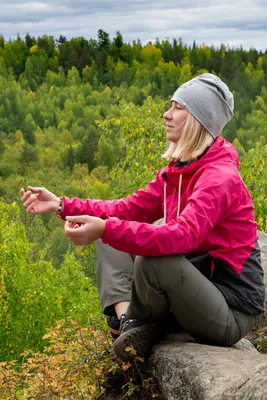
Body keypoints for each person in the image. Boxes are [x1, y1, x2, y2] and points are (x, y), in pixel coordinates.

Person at [20, 73, 265, 362]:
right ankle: (129, 323)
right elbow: (126, 209)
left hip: (228, 312)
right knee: (110, 235)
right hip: (198, 285)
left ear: (199, 120)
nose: (166, 114)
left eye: (178, 108)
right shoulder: (182, 169)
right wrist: (62, 204)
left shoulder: (219, 178)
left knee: (150, 254)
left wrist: (105, 228)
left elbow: (181, 236)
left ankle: (142, 323)